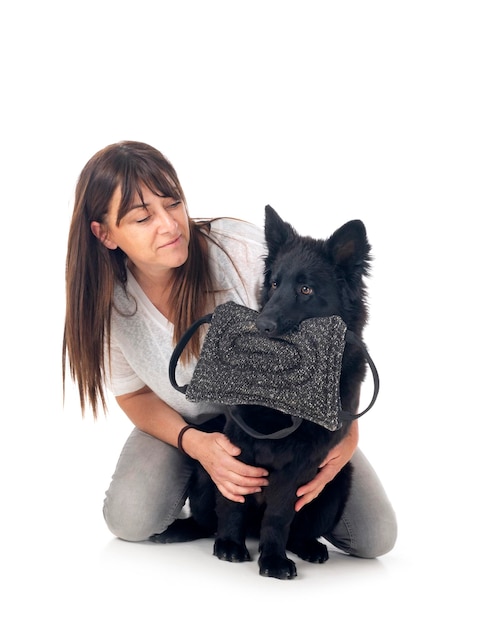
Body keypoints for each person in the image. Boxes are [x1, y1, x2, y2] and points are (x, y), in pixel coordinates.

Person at [63, 140, 397, 558]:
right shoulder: (106, 303)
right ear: (105, 233)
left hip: (282, 423)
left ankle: (259, 513)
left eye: (172, 203)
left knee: (375, 536)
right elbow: (133, 394)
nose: (169, 225)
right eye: (143, 217)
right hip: (181, 427)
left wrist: (345, 432)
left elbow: (333, 335)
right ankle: (204, 497)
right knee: (131, 518)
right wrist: (196, 445)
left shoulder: (236, 248)